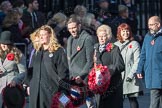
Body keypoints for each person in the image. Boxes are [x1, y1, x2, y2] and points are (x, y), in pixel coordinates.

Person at [26, 25, 69, 108]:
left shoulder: (59, 51)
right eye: (40, 35)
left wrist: (63, 94)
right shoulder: (37, 52)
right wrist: (28, 85)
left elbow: (63, 73)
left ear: (50, 35)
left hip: (51, 91)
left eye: (43, 34)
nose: (41, 37)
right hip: (35, 91)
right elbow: (30, 71)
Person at [66, 16, 95, 107]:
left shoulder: (87, 38)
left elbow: (90, 61)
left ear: (79, 26)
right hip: (72, 78)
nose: (72, 30)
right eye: (70, 28)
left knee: (90, 104)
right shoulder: (70, 39)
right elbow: (69, 60)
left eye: (74, 27)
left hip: (84, 78)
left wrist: (81, 75)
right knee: (71, 103)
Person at [94, 24, 125, 108]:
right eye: (99, 36)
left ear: (109, 36)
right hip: (99, 87)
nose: (101, 38)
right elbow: (92, 65)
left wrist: (106, 71)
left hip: (112, 87)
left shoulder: (114, 48)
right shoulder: (95, 48)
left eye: (104, 36)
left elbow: (120, 65)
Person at [114, 23, 144, 108]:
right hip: (119, 77)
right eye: (123, 31)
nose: (125, 33)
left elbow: (137, 60)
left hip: (130, 76)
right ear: (119, 32)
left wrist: (131, 75)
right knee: (118, 100)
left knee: (132, 99)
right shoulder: (115, 45)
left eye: (127, 31)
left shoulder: (134, 44)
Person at [136, 16, 162, 108]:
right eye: (148, 25)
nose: (149, 27)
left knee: (155, 101)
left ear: (158, 25)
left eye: (151, 25)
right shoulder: (148, 36)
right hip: (152, 73)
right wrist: (139, 69)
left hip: (159, 71)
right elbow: (143, 54)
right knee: (155, 97)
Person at [0, 31, 27, 108]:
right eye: (2, 43)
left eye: (6, 44)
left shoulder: (18, 54)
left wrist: (16, 80)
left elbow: (23, 72)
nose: (3, 45)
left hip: (11, 88)